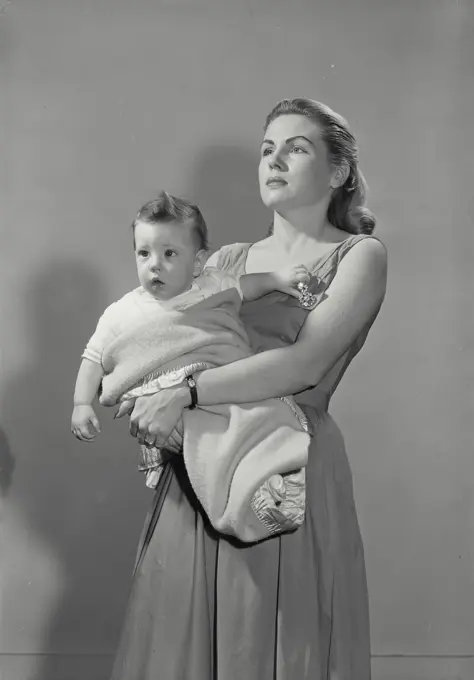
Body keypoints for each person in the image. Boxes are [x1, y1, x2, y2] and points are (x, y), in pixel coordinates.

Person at [110, 98, 387, 680]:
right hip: (203, 465)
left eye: (296, 147)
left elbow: (302, 366)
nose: (275, 160)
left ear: (337, 171)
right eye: (267, 149)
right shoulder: (232, 261)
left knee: (267, 640)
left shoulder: (360, 257)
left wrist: (185, 393)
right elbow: (159, 337)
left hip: (285, 464)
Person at [71, 191, 314, 542]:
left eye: (169, 254)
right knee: (208, 446)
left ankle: (269, 474)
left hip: (211, 378)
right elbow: (94, 356)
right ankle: (244, 502)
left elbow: (244, 287)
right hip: (169, 407)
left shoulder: (211, 283)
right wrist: (82, 403)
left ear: (198, 262)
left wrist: (276, 279)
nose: (154, 264)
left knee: (254, 417)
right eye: (144, 253)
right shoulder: (124, 311)